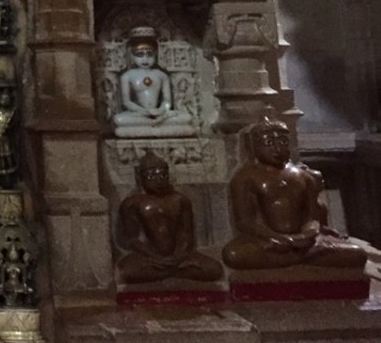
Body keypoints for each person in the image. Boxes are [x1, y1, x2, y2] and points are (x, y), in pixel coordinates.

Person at [222, 119, 366, 272]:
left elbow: (313, 217)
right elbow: (245, 223)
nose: (277, 149)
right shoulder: (245, 178)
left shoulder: (304, 176)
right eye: (269, 143)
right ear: (255, 147)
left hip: (304, 240)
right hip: (269, 240)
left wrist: (307, 234)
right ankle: (304, 257)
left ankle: (294, 257)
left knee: (358, 254)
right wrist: (278, 238)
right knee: (233, 255)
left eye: (283, 142)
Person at [117, 153, 222, 284]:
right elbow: (133, 239)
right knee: (126, 272)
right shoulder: (132, 204)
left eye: (163, 175)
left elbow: (186, 235)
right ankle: (173, 272)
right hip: (149, 257)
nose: (158, 181)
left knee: (214, 269)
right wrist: (154, 257)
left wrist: (178, 257)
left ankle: (168, 272)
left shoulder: (180, 200)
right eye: (151, 176)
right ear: (139, 177)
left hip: (179, 256)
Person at [113, 28, 193, 137]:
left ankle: (152, 125)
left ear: (155, 55)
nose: (145, 59)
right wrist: (145, 112)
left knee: (186, 118)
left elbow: (167, 100)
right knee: (119, 119)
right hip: (138, 114)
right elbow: (127, 102)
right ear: (132, 57)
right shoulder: (127, 76)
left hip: (159, 114)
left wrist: (161, 110)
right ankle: (155, 125)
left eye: (149, 54)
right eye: (140, 55)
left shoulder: (161, 75)